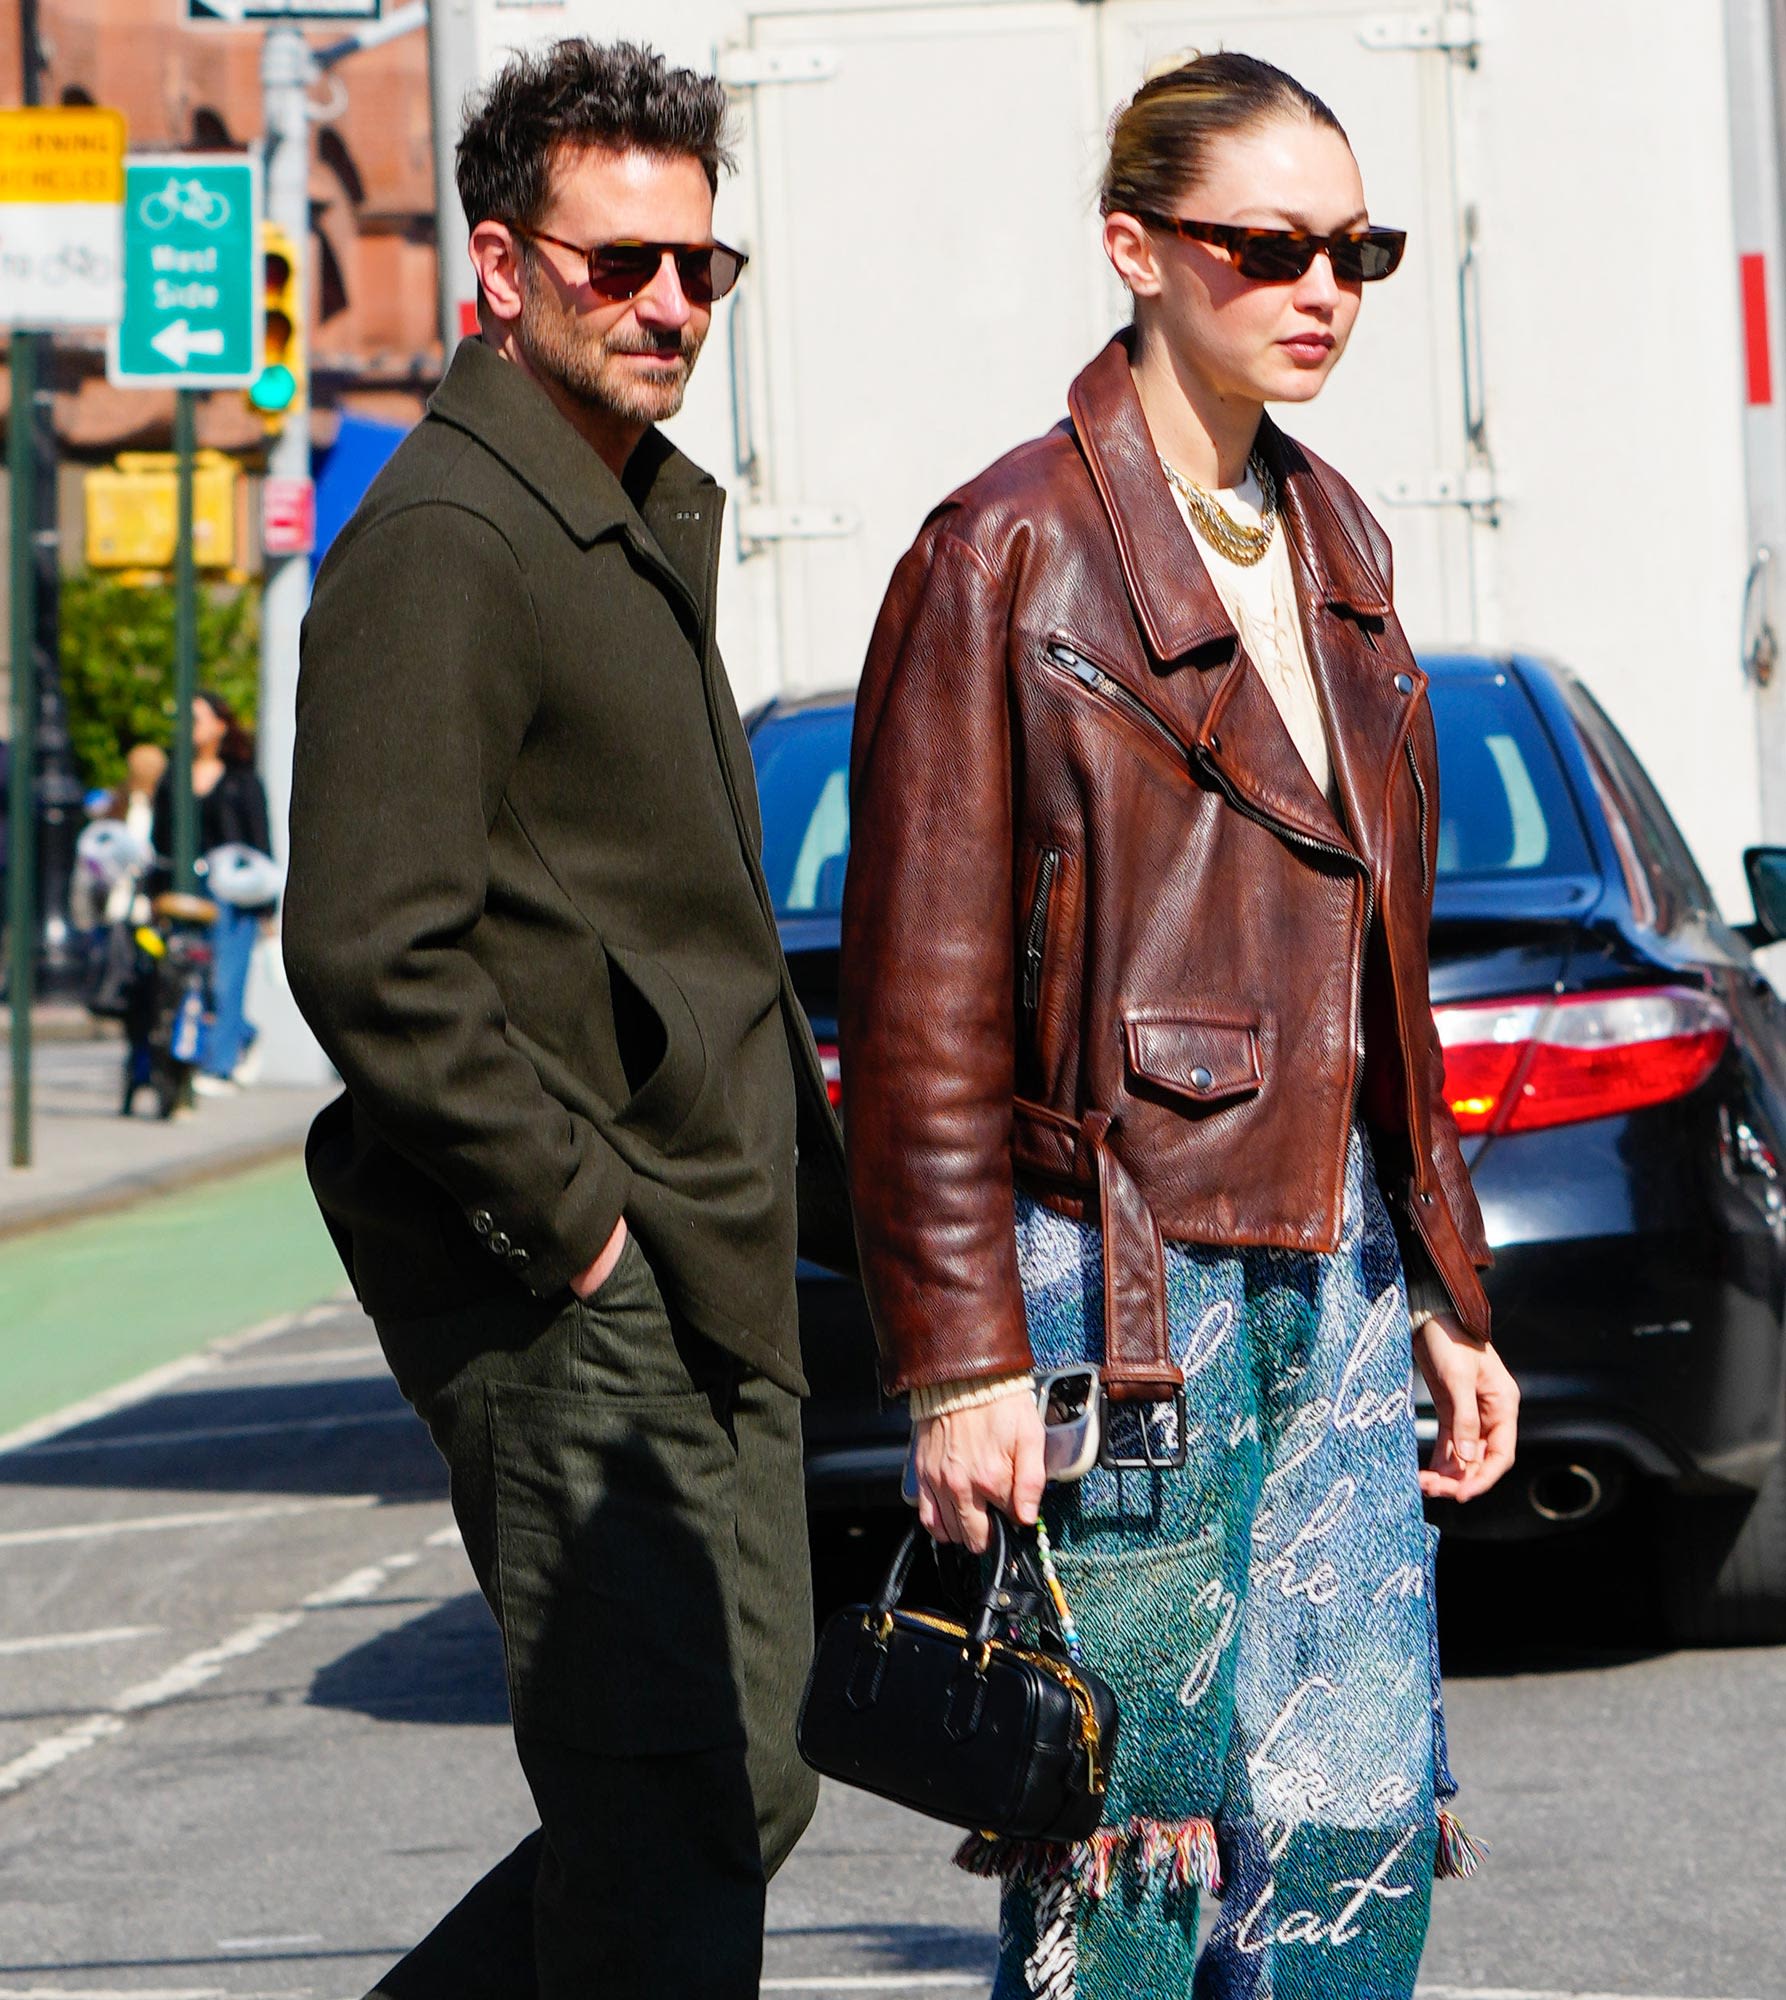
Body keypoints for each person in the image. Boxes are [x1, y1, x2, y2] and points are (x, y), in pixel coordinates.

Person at [840, 52, 1521, 2000]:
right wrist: (960, 1359)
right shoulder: (1005, 554)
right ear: (1133, 248)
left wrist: (1451, 1290)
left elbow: (1377, 972)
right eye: (1266, 245)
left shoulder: (1339, 548)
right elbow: (912, 1007)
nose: (1319, 287)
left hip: (1339, 1264)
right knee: (1123, 1837)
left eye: (1357, 249)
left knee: (1345, 1821)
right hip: (1110, 1280)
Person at [281, 38, 852, 2000]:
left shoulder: (607, 519)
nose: (672, 304)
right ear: (502, 276)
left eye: (700, 267)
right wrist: (579, 1222)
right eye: (621, 267)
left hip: (709, 1253)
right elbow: (370, 948)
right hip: (576, 1286)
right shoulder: (451, 543)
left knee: (737, 1783)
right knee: (669, 1812)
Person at [151, 693, 273, 1094]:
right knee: (189, 977)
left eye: (198, 718)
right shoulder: (174, 775)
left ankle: (218, 1066)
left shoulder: (241, 780)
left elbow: (259, 843)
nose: (190, 727)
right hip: (187, 889)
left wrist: (268, 911)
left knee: (225, 978)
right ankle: (238, 1036)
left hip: (232, 893)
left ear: (221, 724)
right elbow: (160, 839)